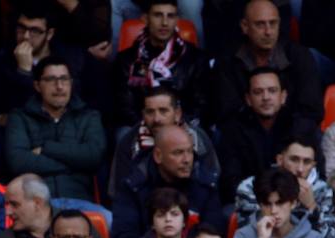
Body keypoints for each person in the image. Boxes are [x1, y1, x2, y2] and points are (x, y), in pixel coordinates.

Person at [111, 124, 222, 238]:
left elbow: (214, 233)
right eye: (178, 153)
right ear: (158, 155)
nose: (187, 160)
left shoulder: (205, 184)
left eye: (190, 151)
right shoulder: (134, 186)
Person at [5, 55, 105, 202]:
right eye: (51, 80)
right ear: (37, 85)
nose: (59, 86)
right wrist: (74, 164)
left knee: (108, 220)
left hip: (79, 202)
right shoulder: (20, 117)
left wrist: (46, 148)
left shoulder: (89, 116)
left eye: (64, 79)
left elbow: (93, 156)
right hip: (36, 205)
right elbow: (18, 162)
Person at [212, 0, 322, 128]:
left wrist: (296, 141)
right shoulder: (228, 61)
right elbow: (227, 113)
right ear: (245, 26)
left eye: (273, 23)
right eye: (260, 25)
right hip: (243, 137)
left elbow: (311, 110)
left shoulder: (299, 56)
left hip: (291, 132)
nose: (268, 31)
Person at [216, 67, 312, 205]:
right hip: (249, 202)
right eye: (258, 92)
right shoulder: (233, 131)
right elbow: (230, 182)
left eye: (272, 91)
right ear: (248, 99)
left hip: (294, 201)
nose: (266, 97)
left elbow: (314, 174)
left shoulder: (301, 127)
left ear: (283, 96)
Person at [109, 86, 220, 201]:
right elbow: (119, 192)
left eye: (163, 111)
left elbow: (212, 180)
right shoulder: (129, 142)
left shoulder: (197, 138)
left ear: (177, 114)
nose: (156, 119)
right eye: (150, 112)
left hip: (191, 207)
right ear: (143, 115)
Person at [113, 0, 208, 128]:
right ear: (145, 19)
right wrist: (150, 126)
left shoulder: (195, 57)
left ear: (176, 20)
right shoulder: (127, 59)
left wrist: (176, 126)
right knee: (123, 134)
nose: (164, 23)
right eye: (158, 15)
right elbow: (125, 107)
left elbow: (200, 104)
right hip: (140, 126)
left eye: (170, 16)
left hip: (183, 125)